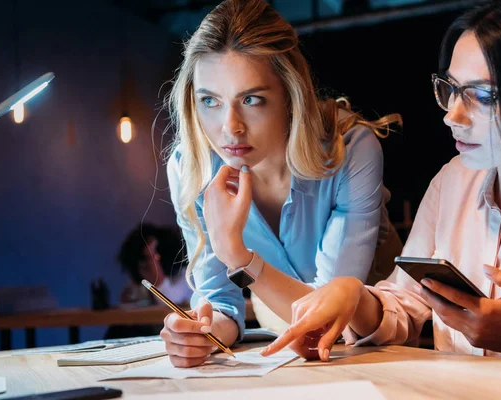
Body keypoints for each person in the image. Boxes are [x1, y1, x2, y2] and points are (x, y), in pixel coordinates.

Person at [261, 0, 501, 363]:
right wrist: (353, 295)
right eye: (451, 89)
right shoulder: (452, 182)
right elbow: (406, 304)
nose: (452, 115)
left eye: (482, 96)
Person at [162, 0, 403, 367]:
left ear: (292, 96)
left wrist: (236, 254)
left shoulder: (349, 148)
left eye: (252, 99)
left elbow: (326, 315)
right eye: (210, 101)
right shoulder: (191, 164)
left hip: (383, 343)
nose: (230, 128)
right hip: (292, 342)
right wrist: (201, 333)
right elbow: (220, 301)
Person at [104, 223, 191, 339]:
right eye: (142, 258)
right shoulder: (140, 279)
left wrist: (157, 278)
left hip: (174, 334)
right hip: (147, 333)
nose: (144, 264)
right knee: (118, 330)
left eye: (150, 256)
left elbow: (174, 306)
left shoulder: (185, 275)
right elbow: (131, 304)